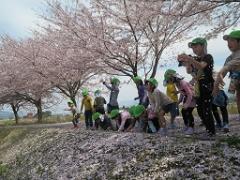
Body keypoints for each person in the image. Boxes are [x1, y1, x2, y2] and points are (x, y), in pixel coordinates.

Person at [178, 37, 215, 136]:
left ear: (203, 46)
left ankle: (211, 131)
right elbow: (190, 71)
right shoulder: (196, 59)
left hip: (207, 86)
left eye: (196, 46)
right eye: (192, 47)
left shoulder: (208, 57)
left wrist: (189, 58)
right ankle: (208, 130)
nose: (194, 49)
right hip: (199, 88)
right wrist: (186, 62)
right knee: (201, 110)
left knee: (206, 110)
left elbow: (201, 66)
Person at [214, 30, 240, 121]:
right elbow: (223, 71)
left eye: (232, 40)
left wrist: (222, 72)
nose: (229, 43)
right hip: (235, 78)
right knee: (238, 96)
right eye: (228, 41)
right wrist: (217, 85)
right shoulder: (229, 57)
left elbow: (225, 69)